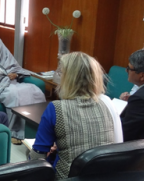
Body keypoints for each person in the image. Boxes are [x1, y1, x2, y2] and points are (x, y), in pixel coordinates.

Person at [28, 52, 123, 180]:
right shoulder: (107, 103)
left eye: (60, 73)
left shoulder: (56, 108)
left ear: (68, 79)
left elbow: (37, 158)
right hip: (105, 176)